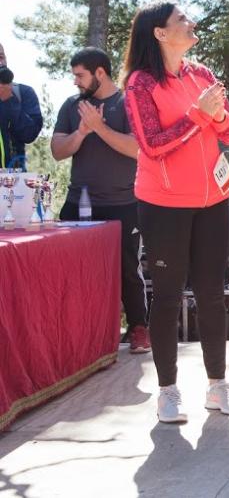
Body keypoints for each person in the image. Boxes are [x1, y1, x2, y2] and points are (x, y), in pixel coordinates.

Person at [122, 2, 229, 423]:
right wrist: (200, 116)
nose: (191, 24)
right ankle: (168, 390)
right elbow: (153, 145)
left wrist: (216, 119)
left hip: (212, 200)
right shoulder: (140, 83)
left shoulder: (202, 74)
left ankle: (217, 385)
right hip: (163, 205)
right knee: (169, 296)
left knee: (212, 292)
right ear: (159, 33)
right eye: (182, 20)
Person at [51, 47, 149, 353]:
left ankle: (138, 329)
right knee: (72, 270)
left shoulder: (127, 103)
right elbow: (57, 150)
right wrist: (81, 132)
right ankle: (77, 334)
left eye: (80, 75)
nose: (75, 82)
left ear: (100, 73)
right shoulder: (72, 106)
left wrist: (99, 127)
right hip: (78, 203)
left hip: (123, 203)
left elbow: (137, 149)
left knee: (127, 270)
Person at [0, 43, 43, 169]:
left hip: (13, 181)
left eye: (1, 57)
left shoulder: (23, 93)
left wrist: (9, 100)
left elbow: (29, 135)